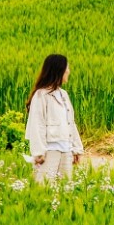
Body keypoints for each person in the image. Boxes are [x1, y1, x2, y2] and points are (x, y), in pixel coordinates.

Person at [24, 54, 84, 183]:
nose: (69, 71)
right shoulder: (41, 95)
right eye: (66, 68)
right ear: (58, 70)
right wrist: (39, 152)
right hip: (49, 152)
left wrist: (76, 148)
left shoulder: (64, 95)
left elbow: (70, 123)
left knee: (65, 189)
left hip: (66, 151)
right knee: (45, 188)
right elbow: (37, 124)